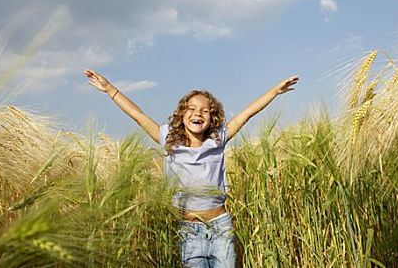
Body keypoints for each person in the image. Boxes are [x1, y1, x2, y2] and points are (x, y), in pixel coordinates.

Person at [83, 69, 298, 268]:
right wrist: (110, 89)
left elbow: (247, 113)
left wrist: (275, 92)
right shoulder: (169, 141)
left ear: (212, 118)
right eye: (192, 109)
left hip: (220, 227)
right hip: (188, 230)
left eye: (206, 111)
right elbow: (138, 116)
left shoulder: (217, 140)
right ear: (181, 115)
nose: (199, 114)